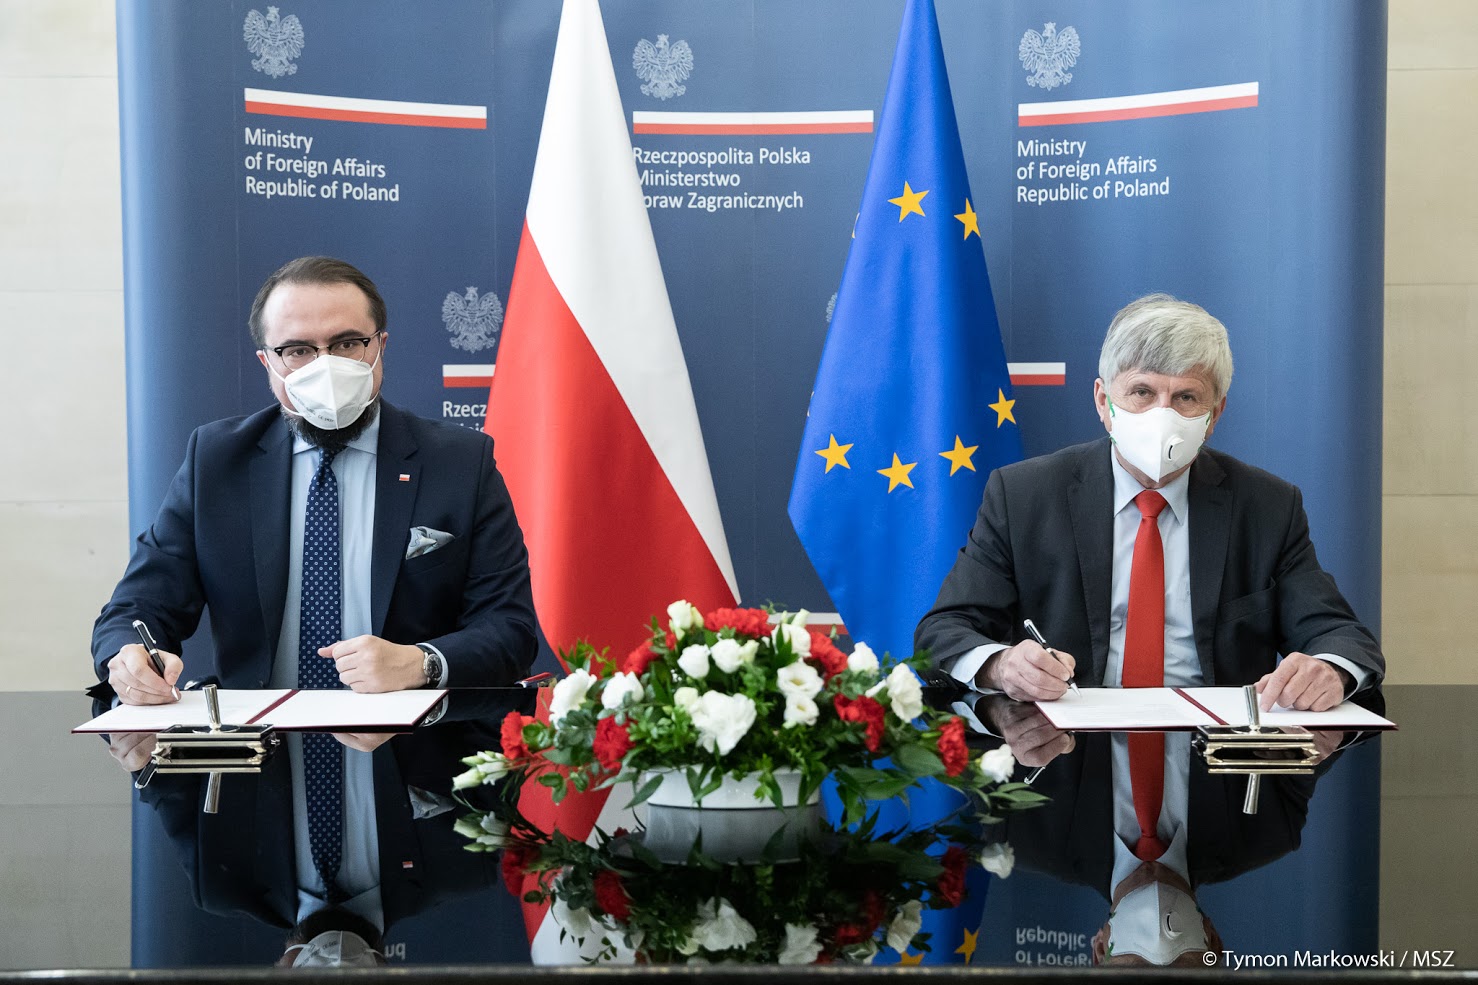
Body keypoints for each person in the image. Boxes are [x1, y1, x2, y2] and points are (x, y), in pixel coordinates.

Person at [91, 255, 538, 930]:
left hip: (422, 757)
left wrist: (419, 663)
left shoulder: (459, 463)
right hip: (255, 760)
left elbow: (509, 629)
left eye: (347, 343)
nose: (324, 364)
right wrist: (131, 657)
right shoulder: (217, 461)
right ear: (268, 362)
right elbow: (137, 606)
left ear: (381, 347)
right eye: (298, 349)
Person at [916, 294, 1384, 710]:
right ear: (1103, 401)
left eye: (1186, 397)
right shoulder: (1024, 496)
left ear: (1215, 414)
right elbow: (944, 631)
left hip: (1214, 760)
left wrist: (1331, 669)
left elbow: (1341, 636)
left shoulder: (1267, 506)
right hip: (1065, 749)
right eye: (1142, 392)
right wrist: (1001, 666)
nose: (1163, 415)